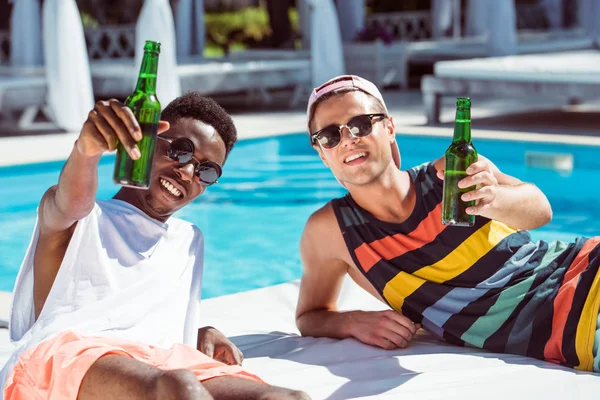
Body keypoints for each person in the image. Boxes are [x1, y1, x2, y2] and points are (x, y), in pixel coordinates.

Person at [1, 92, 310, 400]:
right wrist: (86, 150)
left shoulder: (189, 240)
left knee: (287, 398)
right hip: (64, 361)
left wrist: (198, 333)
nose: (187, 173)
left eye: (206, 171)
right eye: (181, 151)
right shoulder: (82, 218)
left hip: (155, 363)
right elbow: (70, 200)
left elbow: (142, 319)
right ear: (147, 142)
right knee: (180, 389)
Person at [295, 74, 600, 373]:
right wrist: (353, 321)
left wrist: (492, 199)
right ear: (321, 152)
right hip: (573, 325)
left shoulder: (448, 173)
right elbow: (310, 316)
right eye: (330, 136)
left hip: (585, 270)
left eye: (361, 124)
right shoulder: (330, 230)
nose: (348, 139)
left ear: (389, 127)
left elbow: (541, 211)